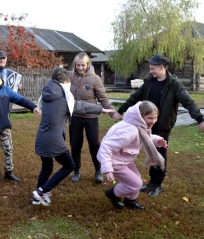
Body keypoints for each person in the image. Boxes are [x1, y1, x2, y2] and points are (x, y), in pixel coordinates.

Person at [112, 54, 204, 196]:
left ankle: (157, 184)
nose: (151, 72)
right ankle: (151, 181)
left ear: (162, 67)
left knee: (159, 153)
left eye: (153, 68)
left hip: (163, 125)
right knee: (150, 151)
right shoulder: (149, 82)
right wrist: (120, 111)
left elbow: (188, 102)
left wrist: (200, 119)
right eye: (150, 69)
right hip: (147, 125)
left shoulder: (174, 84)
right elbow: (135, 97)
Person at [32, 67, 114, 206]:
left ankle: (37, 197)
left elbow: (76, 104)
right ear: (65, 83)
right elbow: (79, 105)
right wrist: (101, 109)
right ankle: (41, 191)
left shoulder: (47, 93)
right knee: (70, 165)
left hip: (41, 138)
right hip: (54, 141)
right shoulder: (63, 99)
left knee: (47, 167)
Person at [97, 101, 168, 210]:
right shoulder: (129, 131)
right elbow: (106, 147)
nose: (153, 121)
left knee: (136, 180)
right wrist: (107, 168)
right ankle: (113, 193)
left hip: (124, 159)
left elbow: (145, 136)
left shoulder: (139, 125)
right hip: (115, 161)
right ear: (140, 116)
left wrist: (157, 140)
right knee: (135, 184)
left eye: (155, 117)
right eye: (150, 118)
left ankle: (130, 200)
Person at [69, 52, 117, 183]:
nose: (80, 68)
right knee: (75, 145)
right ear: (75, 65)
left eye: (83, 65)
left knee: (94, 145)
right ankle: (76, 170)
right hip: (75, 116)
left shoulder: (95, 79)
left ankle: (98, 170)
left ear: (88, 64)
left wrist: (113, 113)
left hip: (91, 117)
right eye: (78, 65)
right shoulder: (70, 76)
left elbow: (103, 99)